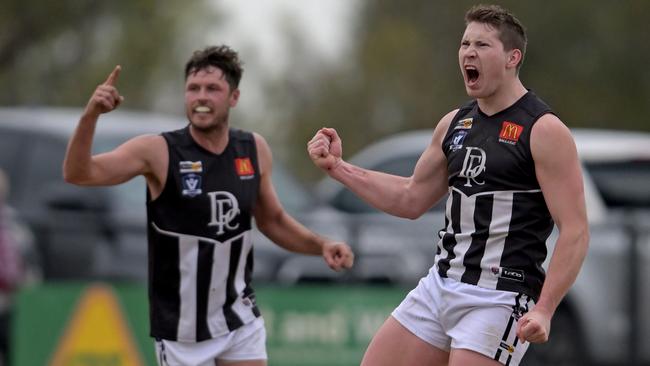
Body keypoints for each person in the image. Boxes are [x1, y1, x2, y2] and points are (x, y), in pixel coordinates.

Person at [308, 4, 589, 366]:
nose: (469, 52)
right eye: (465, 44)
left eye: (483, 45)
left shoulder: (544, 130)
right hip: (439, 285)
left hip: (497, 297)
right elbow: (410, 199)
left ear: (512, 57)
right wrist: (339, 168)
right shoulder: (455, 124)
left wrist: (545, 309)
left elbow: (576, 231)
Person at [63, 45, 354, 366]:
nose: (201, 97)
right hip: (181, 329)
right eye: (193, 88)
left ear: (234, 97)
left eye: (212, 88)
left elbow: (272, 220)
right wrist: (91, 116)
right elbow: (79, 173)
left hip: (238, 317)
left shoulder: (252, 148)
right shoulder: (158, 151)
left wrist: (322, 245)